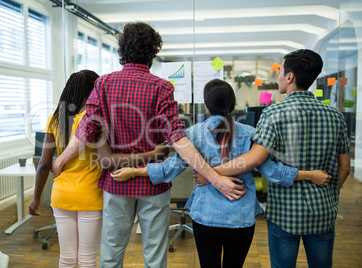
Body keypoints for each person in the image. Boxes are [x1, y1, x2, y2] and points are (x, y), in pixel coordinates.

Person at [51, 22, 244, 268]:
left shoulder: (104, 84)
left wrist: (60, 160)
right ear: (153, 53)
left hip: (116, 182)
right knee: (154, 255)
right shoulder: (162, 87)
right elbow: (177, 139)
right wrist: (215, 178)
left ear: (122, 51)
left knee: (111, 253)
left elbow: (86, 130)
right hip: (153, 185)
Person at [111, 78, 332, 268]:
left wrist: (133, 171)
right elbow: (273, 172)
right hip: (241, 217)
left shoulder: (192, 134)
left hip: (206, 217)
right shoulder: (250, 133)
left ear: (206, 106)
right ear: (233, 104)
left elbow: (170, 168)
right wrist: (310, 175)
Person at [194, 49, 350, 268]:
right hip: (323, 210)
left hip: (285, 212)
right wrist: (327, 195)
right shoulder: (336, 116)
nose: (277, 77)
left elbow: (254, 159)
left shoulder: (273, 113)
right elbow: (344, 167)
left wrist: (210, 173)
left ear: (289, 77)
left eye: (280, 71)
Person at [28, 70, 169, 268]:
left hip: (61, 194)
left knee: (66, 259)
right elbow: (108, 159)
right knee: (88, 259)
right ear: (95, 90)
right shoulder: (96, 119)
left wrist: (35, 199)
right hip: (91, 194)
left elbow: (43, 164)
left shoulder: (54, 118)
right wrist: (153, 153)